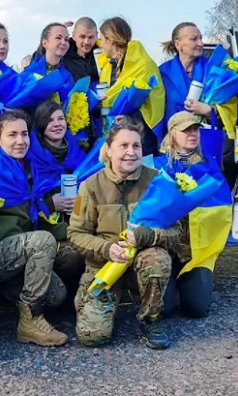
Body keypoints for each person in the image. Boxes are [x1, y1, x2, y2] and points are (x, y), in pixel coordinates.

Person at [68, 116, 180, 350]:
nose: (131, 152)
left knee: (157, 258)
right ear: (108, 150)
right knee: (92, 336)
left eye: (136, 146)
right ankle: (102, 302)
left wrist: (145, 237)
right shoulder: (89, 186)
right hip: (104, 267)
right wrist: (107, 248)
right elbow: (76, 234)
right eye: (123, 146)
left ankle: (151, 319)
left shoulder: (157, 181)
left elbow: (175, 231)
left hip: (142, 262)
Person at [0, 110, 68, 347]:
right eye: (12, 135)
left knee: (56, 294)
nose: (21, 141)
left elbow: (31, 212)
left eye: (24, 134)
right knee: (42, 241)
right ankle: (30, 322)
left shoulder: (28, 166)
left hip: (18, 248)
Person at [155, 111, 231, 318]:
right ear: (172, 134)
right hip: (166, 250)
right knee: (164, 308)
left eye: (195, 129)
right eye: (186, 130)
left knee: (196, 309)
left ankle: (193, 280)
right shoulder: (157, 166)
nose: (192, 133)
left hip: (196, 253)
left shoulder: (209, 165)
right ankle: (169, 281)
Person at [159, 21, 238, 186]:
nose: (200, 43)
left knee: (206, 199)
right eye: (194, 39)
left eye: (200, 38)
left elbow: (231, 107)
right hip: (173, 149)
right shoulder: (163, 73)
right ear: (178, 44)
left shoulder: (215, 71)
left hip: (207, 146)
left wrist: (209, 111)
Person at [30, 101, 86, 290]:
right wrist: (51, 204)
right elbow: (24, 200)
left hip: (77, 223)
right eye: (50, 120)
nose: (57, 124)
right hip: (48, 232)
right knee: (73, 257)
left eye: (60, 119)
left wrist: (78, 204)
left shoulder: (78, 153)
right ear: (41, 125)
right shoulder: (30, 156)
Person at [97, 17, 166, 155]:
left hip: (141, 140)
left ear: (110, 40)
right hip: (115, 138)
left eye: (102, 40)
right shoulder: (108, 67)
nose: (101, 45)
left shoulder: (143, 64)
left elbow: (156, 103)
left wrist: (131, 118)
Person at [24, 23, 75, 107]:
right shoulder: (30, 73)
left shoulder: (68, 76)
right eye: (58, 38)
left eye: (66, 39)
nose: (63, 42)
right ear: (44, 43)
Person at [63, 17, 100, 83]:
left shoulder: (103, 55)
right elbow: (43, 57)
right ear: (74, 36)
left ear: (97, 36)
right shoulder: (62, 53)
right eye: (82, 37)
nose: (87, 42)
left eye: (91, 37)